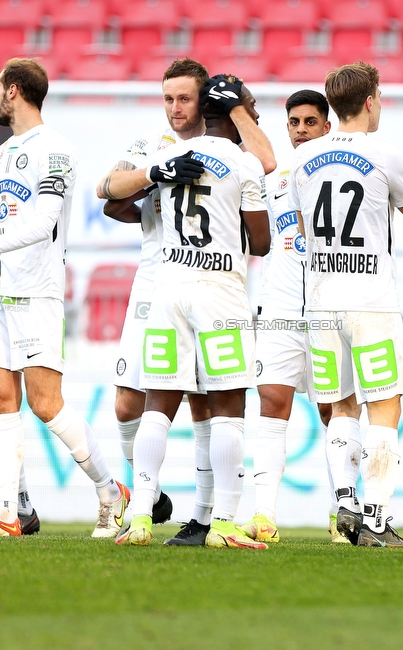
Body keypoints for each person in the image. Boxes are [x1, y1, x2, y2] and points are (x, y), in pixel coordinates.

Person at [0, 58, 128, 538]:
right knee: (1, 400)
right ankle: (4, 514)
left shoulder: (57, 150)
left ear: (15, 91)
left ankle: (110, 490)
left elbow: (43, 223)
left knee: (46, 404)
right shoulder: (5, 153)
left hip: (34, 293)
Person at [292, 62, 403, 548]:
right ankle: (375, 518)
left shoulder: (303, 158)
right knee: (384, 408)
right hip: (371, 299)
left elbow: (307, 233)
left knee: (341, 407)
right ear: (371, 101)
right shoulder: (385, 154)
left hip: (321, 299)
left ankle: (346, 505)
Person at [95, 58, 275, 546]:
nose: (174, 108)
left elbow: (121, 199)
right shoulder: (244, 162)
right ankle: (223, 524)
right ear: (235, 112)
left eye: (184, 98)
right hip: (220, 293)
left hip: (168, 288)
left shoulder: (175, 161)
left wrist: (158, 179)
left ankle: (139, 521)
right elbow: (260, 243)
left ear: (202, 106)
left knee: (158, 406)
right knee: (228, 408)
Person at [238, 89, 342, 544]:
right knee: (271, 404)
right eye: (294, 123)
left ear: (327, 127)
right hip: (279, 307)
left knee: (333, 408)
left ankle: (345, 509)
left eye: (309, 122)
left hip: (329, 309)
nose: (301, 130)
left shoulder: (343, 177)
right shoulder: (273, 177)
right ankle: (263, 514)